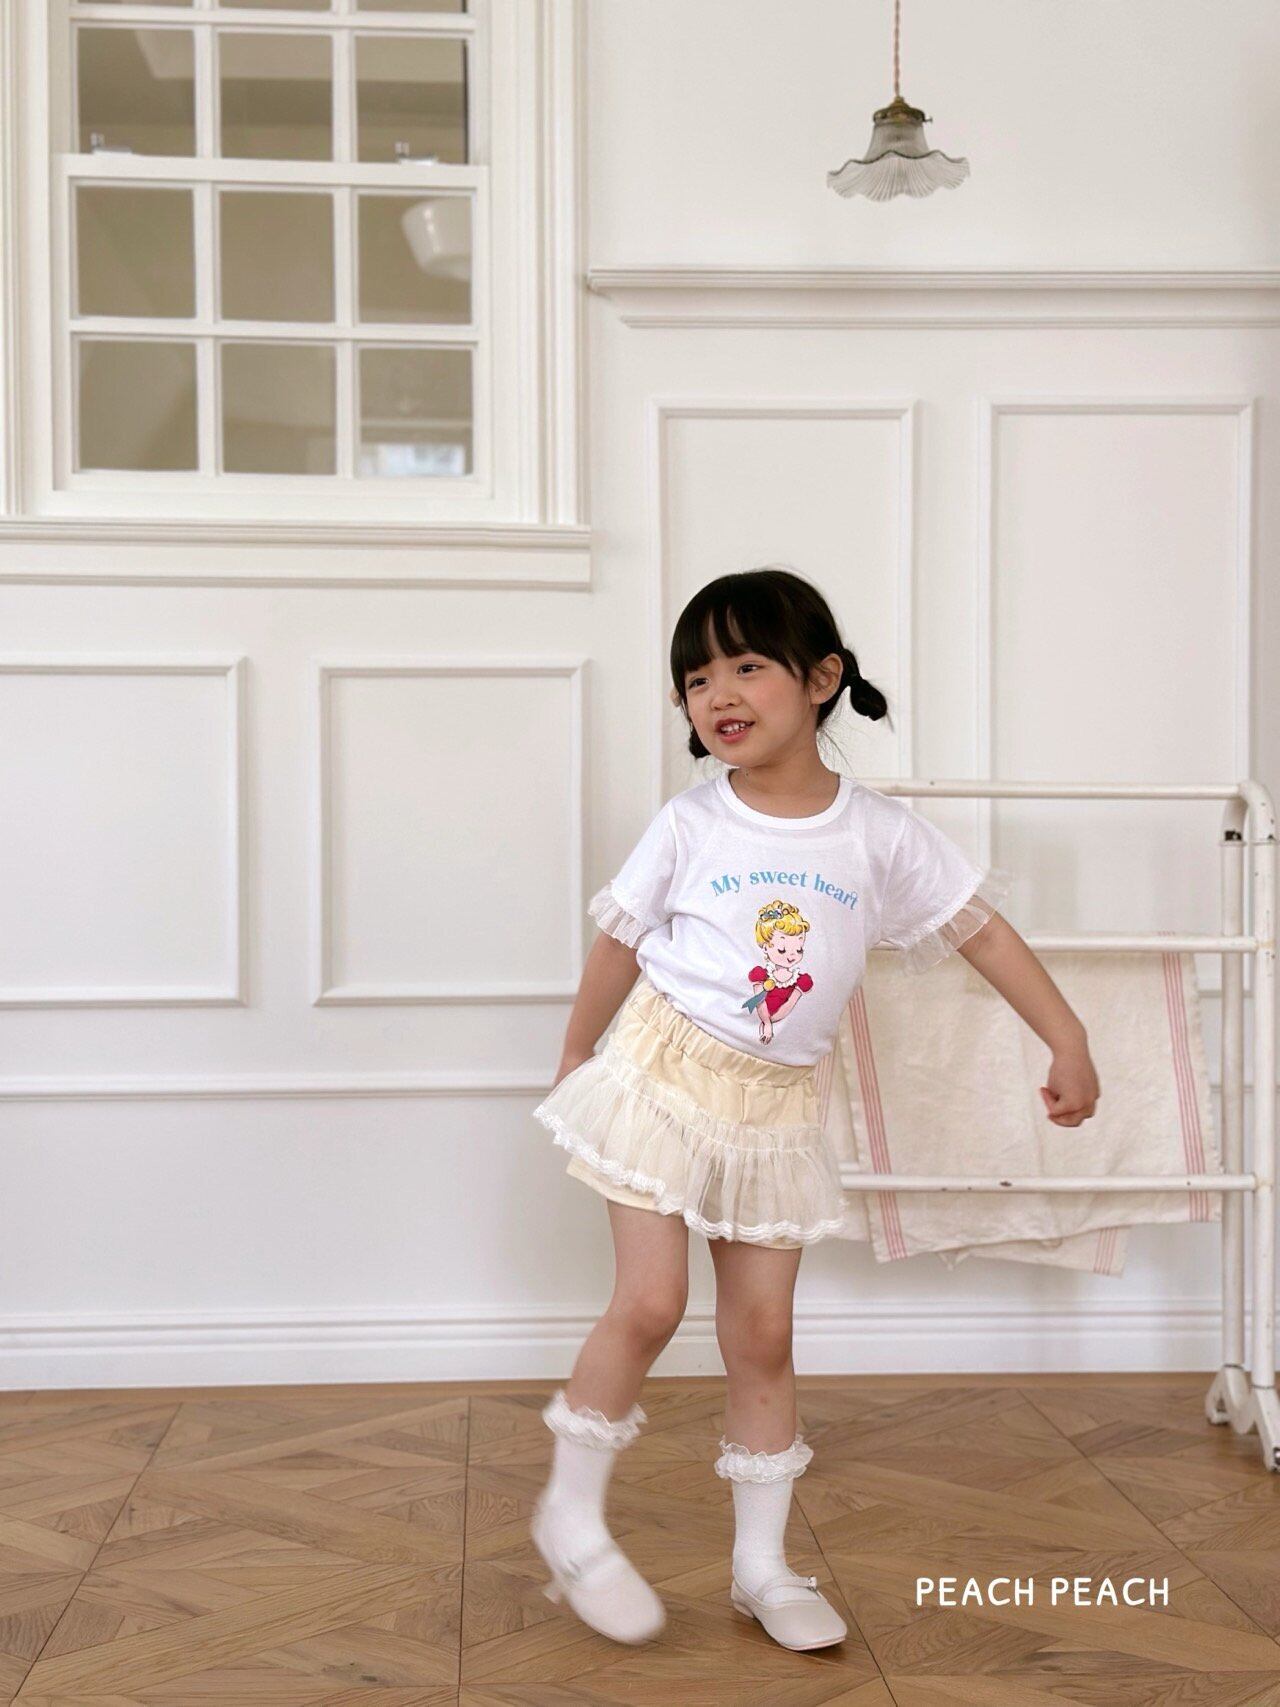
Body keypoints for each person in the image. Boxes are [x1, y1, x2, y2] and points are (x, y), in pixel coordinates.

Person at [529, 567, 1101, 1651]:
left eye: (746, 665)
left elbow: (979, 932)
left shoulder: (875, 833)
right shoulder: (692, 821)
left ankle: (762, 1566)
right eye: (697, 677)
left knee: (763, 1333)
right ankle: (570, 1514)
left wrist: (1064, 1036)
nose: (718, 693)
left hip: (778, 1106)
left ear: (821, 676)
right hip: (661, 1075)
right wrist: (574, 1049)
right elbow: (621, 935)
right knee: (649, 1304)